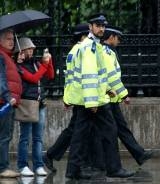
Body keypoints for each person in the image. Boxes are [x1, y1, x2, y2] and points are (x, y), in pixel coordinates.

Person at [63, 13, 134, 179]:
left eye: (103, 26)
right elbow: (88, 77)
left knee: (79, 135)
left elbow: (106, 75)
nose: (101, 28)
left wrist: (120, 93)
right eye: (98, 25)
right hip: (94, 101)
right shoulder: (90, 48)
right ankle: (114, 168)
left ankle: (73, 171)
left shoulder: (95, 46)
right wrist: (92, 103)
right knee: (110, 131)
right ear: (90, 27)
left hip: (90, 99)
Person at [102, 25, 153, 166]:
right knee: (108, 131)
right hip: (107, 98)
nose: (119, 41)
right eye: (118, 38)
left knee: (120, 128)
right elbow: (112, 77)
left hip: (111, 98)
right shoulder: (106, 53)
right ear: (111, 37)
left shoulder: (110, 52)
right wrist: (124, 94)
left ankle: (139, 154)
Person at [43, 23, 90, 173]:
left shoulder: (73, 50)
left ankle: (52, 155)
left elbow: (69, 77)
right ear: (83, 36)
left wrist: (68, 97)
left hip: (77, 96)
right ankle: (78, 165)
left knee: (74, 130)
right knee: (78, 131)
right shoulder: (81, 50)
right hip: (83, 97)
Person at [14, 37, 54, 176]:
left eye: (32, 49)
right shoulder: (18, 66)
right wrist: (44, 65)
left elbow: (50, 75)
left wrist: (49, 62)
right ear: (21, 50)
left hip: (39, 104)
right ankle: (22, 165)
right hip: (27, 105)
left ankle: (38, 165)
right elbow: (33, 78)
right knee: (25, 137)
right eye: (28, 49)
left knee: (38, 137)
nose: (31, 51)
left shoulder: (37, 63)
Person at [0, 29, 22, 178]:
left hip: (8, 102)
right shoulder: (1, 56)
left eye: (13, 39)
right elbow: (0, 80)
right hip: (4, 103)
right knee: (4, 136)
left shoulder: (7, 57)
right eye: (8, 39)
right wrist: (8, 97)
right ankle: (3, 168)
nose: (12, 41)